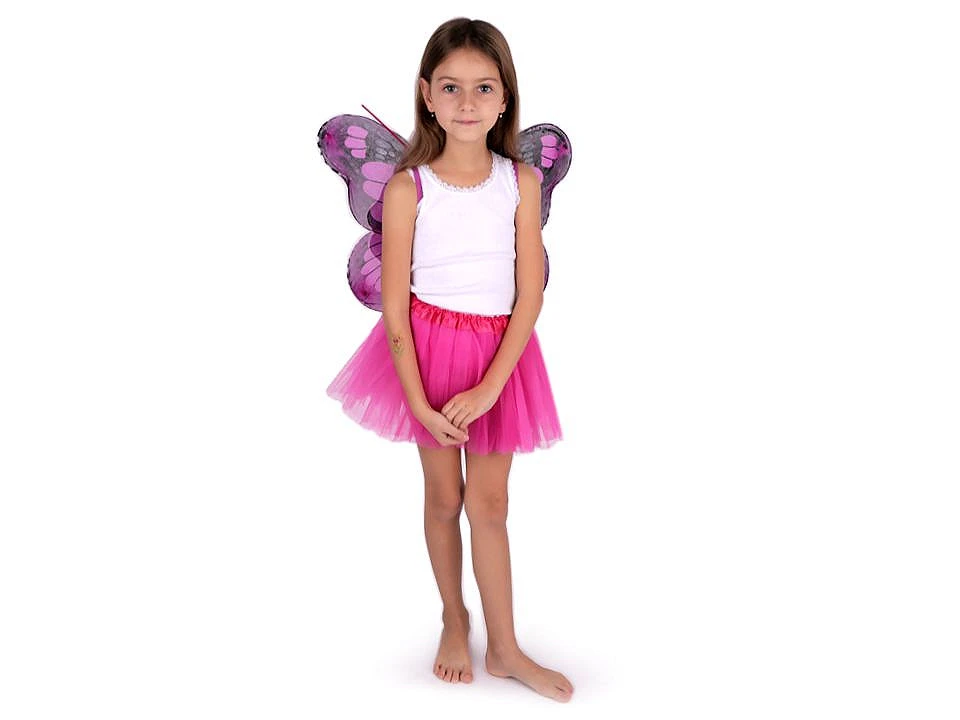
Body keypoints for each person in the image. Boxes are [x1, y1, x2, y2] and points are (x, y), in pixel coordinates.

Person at [326, 17, 573, 702]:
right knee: (444, 497)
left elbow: (529, 295)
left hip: (501, 358)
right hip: (426, 355)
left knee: (490, 503)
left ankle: (507, 648)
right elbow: (395, 308)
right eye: (452, 87)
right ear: (427, 94)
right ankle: (454, 617)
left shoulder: (520, 181)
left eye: (483, 88)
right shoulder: (408, 188)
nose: (468, 102)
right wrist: (416, 398)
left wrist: (493, 386)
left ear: (505, 98)